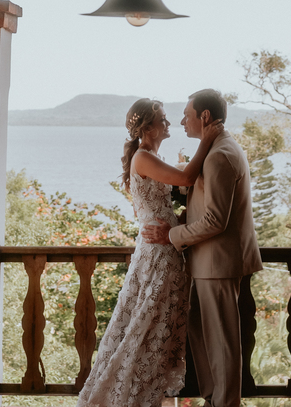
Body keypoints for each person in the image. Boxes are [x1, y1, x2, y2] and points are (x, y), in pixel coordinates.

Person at [76, 98, 220, 407]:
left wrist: (178, 224)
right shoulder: (142, 157)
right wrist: (206, 142)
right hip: (156, 256)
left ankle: (145, 397)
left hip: (166, 250)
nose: (169, 125)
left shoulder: (153, 156)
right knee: (143, 329)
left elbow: (168, 204)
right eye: (163, 120)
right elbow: (185, 179)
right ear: (148, 127)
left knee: (157, 330)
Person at [142, 89, 263, 407]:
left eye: (187, 114)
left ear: (205, 117)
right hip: (206, 262)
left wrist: (172, 234)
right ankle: (213, 399)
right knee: (201, 334)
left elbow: (215, 221)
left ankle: (224, 403)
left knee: (221, 341)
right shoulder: (216, 150)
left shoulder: (221, 155)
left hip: (218, 263)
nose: (182, 121)